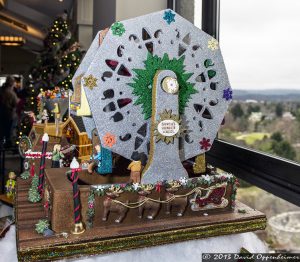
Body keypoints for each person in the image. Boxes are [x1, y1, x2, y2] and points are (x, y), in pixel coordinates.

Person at [0, 76, 19, 146]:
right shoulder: (10, 92)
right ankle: (8, 143)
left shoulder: (2, 90)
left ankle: (4, 143)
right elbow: (16, 103)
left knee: (3, 129)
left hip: (2, 112)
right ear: (11, 83)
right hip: (9, 113)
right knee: (9, 130)